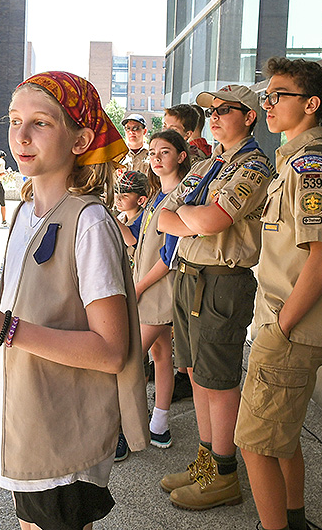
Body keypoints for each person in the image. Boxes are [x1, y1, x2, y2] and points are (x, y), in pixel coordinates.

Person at [0, 71, 149, 530]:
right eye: (14, 120)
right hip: (29, 418)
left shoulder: (89, 222)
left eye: (41, 123)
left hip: (64, 430)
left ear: (80, 140)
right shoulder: (25, 211)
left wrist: (3, 327)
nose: (21, 136)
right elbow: (30, 303)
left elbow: (111, 350)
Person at [235, 58, 322, 530]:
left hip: (289, 329)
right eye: (267, 95)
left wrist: (280, 329)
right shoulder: (293, 164)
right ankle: (295, 519)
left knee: (254, 445)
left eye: (278, 95)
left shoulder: (310, 169)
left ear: (310, 104)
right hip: (284, 325)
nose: (267, 103)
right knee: (279, 436)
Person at [157, 84, 273, 511]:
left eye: (226, 110)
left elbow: (212, 220)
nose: (215, 117)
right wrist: (194, 219)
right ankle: (206, 464)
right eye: (211, 112)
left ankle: (224, 474)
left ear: (250, 116)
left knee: (218, 381)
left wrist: (190, 218)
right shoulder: (209, 164)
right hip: (189, 275)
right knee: (195, 372)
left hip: (222, 280)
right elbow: (162, 215)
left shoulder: (254, 167)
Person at [116, 130, 191, 460]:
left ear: (181, 156)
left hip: (158, 291)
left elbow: (168, 256)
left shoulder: (181, 196)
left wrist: (138, 287)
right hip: (150, 289)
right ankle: (159, 425)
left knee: (129, 361)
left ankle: (123, 431)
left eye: (165, 152)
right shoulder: (159, 195)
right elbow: (138, 239)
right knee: (161, 355)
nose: (156, 158)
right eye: (153, 153)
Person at [114, 170, 149, 264]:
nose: (118, 198)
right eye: (117, 192)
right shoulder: (121, 217)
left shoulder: (145, 218)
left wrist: (112, 217)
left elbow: (131, 240)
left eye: (125, 195)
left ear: (141, 200)